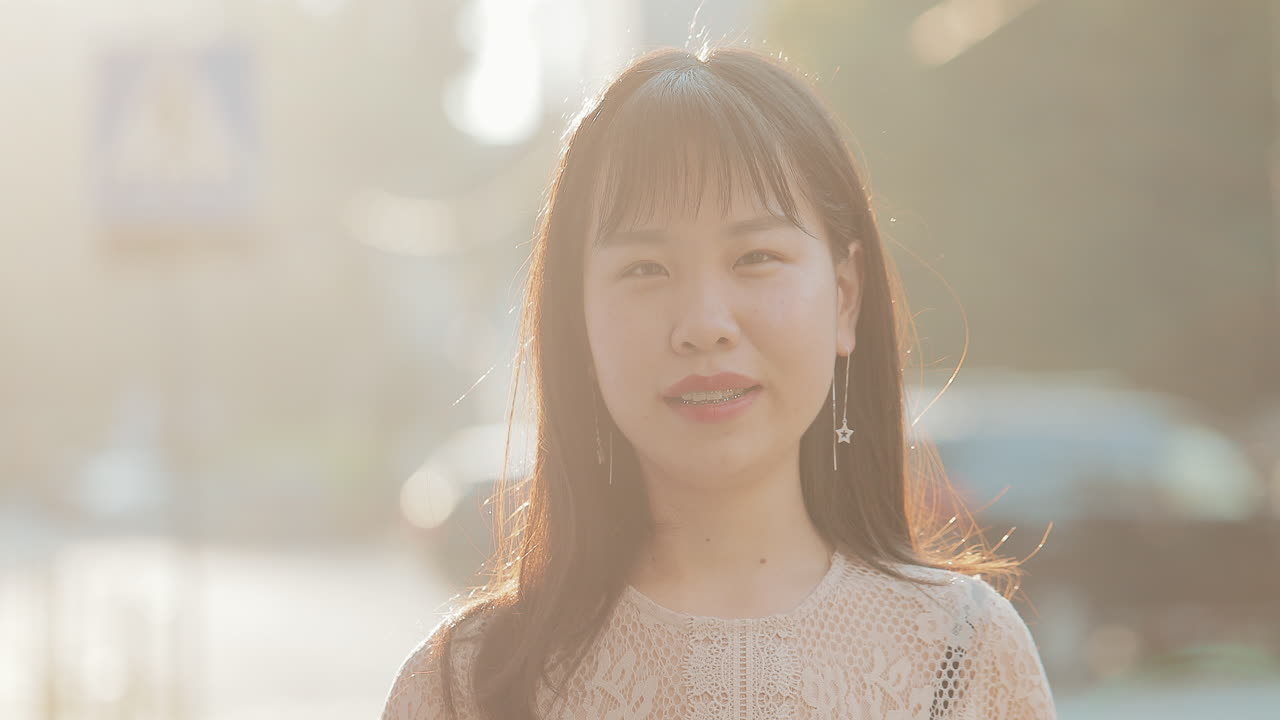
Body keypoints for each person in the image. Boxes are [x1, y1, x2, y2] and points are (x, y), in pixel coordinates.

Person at [382, 45, 1056, 720]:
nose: (704, 324)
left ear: (845, 297)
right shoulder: (467, 685)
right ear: (576, 320)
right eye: (646, 268)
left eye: (756, 256)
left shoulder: (963, 656)